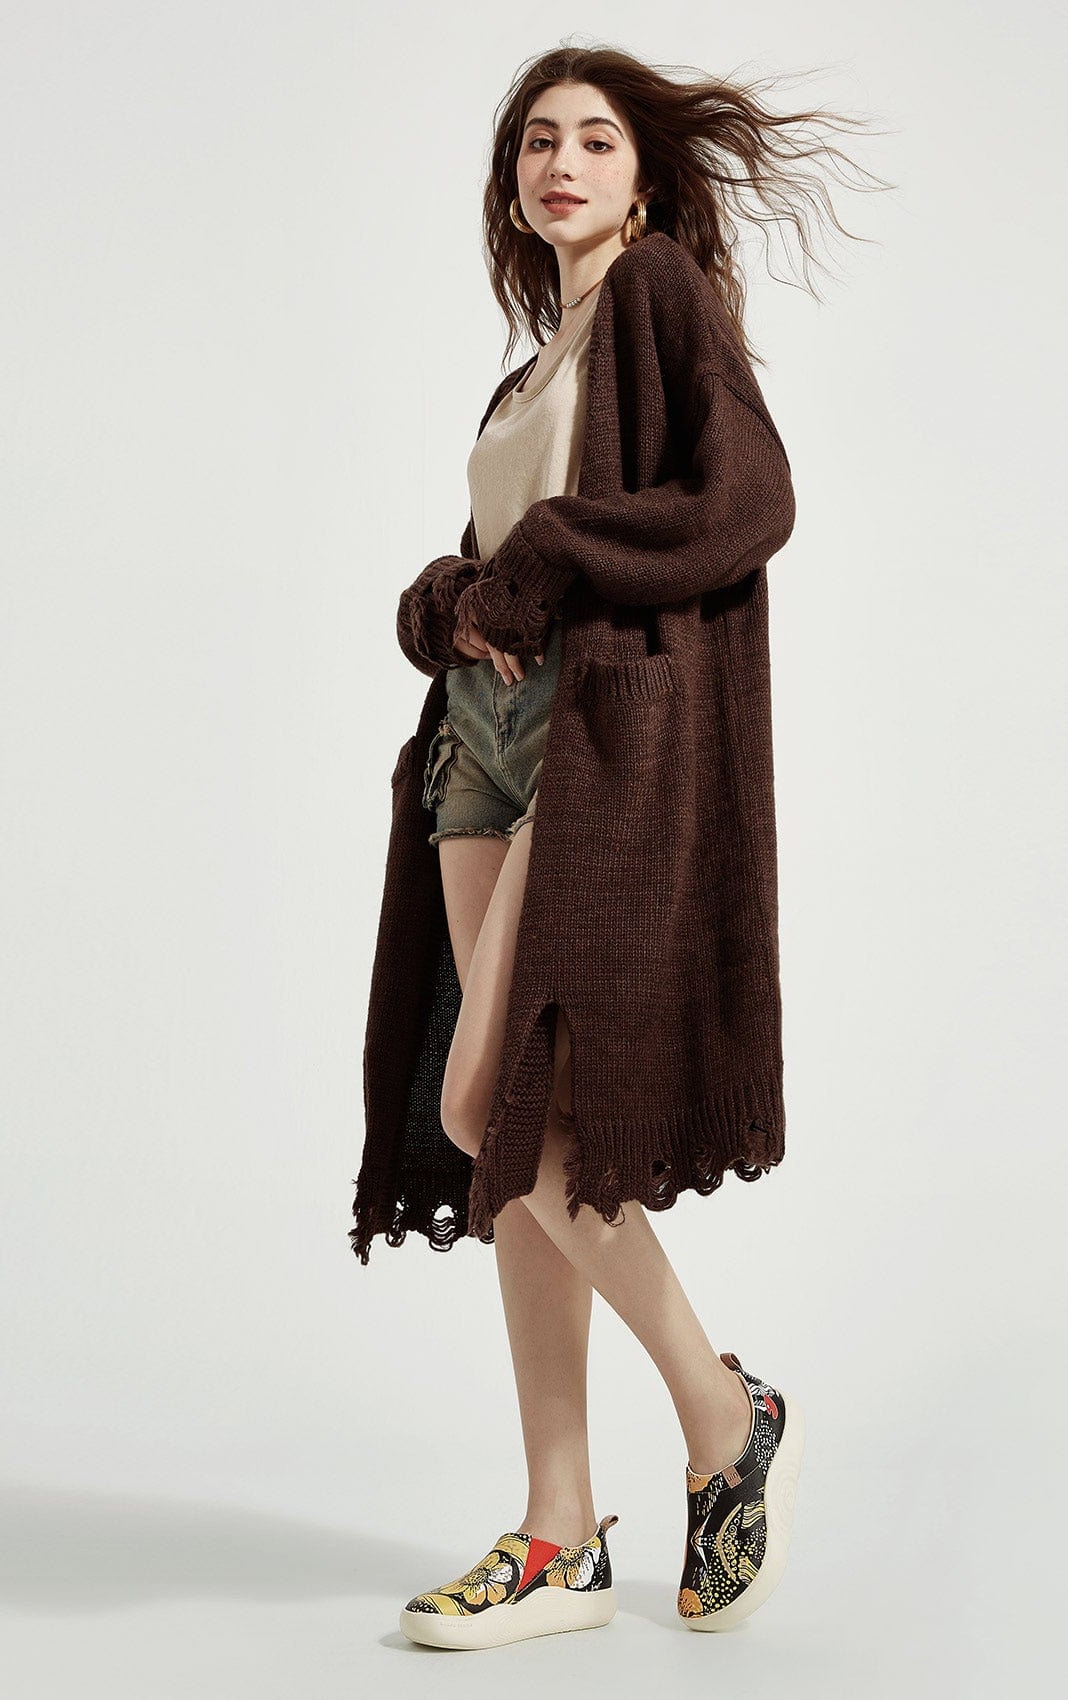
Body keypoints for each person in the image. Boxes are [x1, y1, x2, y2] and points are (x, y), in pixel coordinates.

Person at [354, 45, 890, 1651]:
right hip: (481, 747)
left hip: (594, 748)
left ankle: (724, 1411)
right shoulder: (528, 372)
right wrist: (450, 598)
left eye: (595, 139)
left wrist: (543, 555)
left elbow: (748, 502)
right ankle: (558, 1531)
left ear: (644, 180)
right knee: (519, 1158)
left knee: (489, 1105)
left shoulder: (657, 299)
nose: (562, 162)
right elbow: (493, 565)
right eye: (538, 141)